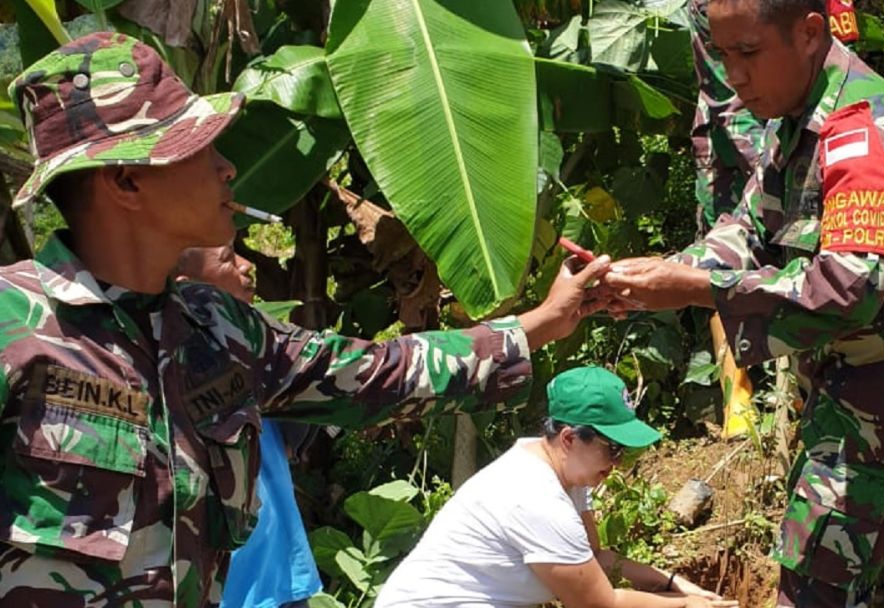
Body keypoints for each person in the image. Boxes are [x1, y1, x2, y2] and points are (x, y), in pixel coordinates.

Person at [0, 31, 610, 607]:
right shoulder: (15, 328)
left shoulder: (217, 329)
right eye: (196, 147)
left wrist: (542, 322)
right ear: (127, 181)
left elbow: (375, 373)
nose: (226, 168)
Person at [603, 0, 884, 608]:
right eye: (723, 57)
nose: (734, 77)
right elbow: (748, 227)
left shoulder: (863, 136)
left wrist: (698, 288)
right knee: (858, 536)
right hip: (856, 387)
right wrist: (660, 275)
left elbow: (850, 286)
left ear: (810, 34)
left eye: (748, 54)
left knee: (813, 580)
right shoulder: (791, 118)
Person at [689, 0, 860, 439]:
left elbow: (827, 60)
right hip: (773, 137)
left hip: (758, 138)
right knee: (754, 252)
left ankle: (759, 399)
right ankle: (761, 399)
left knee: (754, 250)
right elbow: (831, 60)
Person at [377, 366, 736, 608]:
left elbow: (596, 559)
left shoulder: (567, 476)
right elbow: (600, 604)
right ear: (569, 438)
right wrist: (689, 606)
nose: (618, 462)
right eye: (612, 448)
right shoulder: (535, 497)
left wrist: (675, 583)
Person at [175, 245, 321, 608]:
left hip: (284, 576)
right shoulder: (169, 370)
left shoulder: (260, 352)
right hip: (224, 588)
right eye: (227, 260)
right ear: (187, 287)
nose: (247, 267)